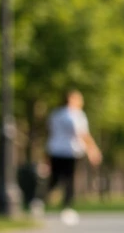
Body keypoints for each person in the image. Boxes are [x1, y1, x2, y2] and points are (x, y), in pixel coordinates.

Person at [44, 90, 102, 225]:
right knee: (69, 180)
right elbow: (82, 134)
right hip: (71, 151)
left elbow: (51, 133)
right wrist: (93, 150)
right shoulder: (76, 115)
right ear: (72, 100)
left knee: (55, 178)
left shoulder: (55, 114)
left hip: (55, 150)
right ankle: (66, 207)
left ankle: (39, 202)